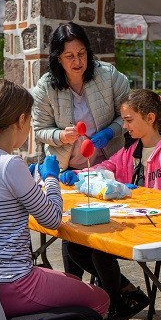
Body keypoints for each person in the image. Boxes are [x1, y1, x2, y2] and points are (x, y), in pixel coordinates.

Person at [0, 78, 109, 320]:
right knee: (99, 299)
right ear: (22, 120)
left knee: (66, 279)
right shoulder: (10, 164)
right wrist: (51, 178)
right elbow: (52, 219)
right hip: (15, 284)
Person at [60, 89, 161, 320]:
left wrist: (140, 194)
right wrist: (81, 174)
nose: (124, 126)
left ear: (150, 118)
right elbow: (107, 167)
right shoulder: (131, 150)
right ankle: (126, 295)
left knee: (101, 254)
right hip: (128, 224)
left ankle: (117, 303)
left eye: (129, 120)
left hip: (154, 230)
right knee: (75, 246)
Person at [31, 21, 130, 278]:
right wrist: (60, 135)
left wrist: (111, 131)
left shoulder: (108, 75)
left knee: (103, 233)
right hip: (68, 170)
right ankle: (76, 295)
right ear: (58, 59)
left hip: (105, 169)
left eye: (82, 53)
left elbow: (129, 115)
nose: (77, 61)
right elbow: (39, 129)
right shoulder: (46, 86)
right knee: (71, 233)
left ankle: (114, 294)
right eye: (69, 56)